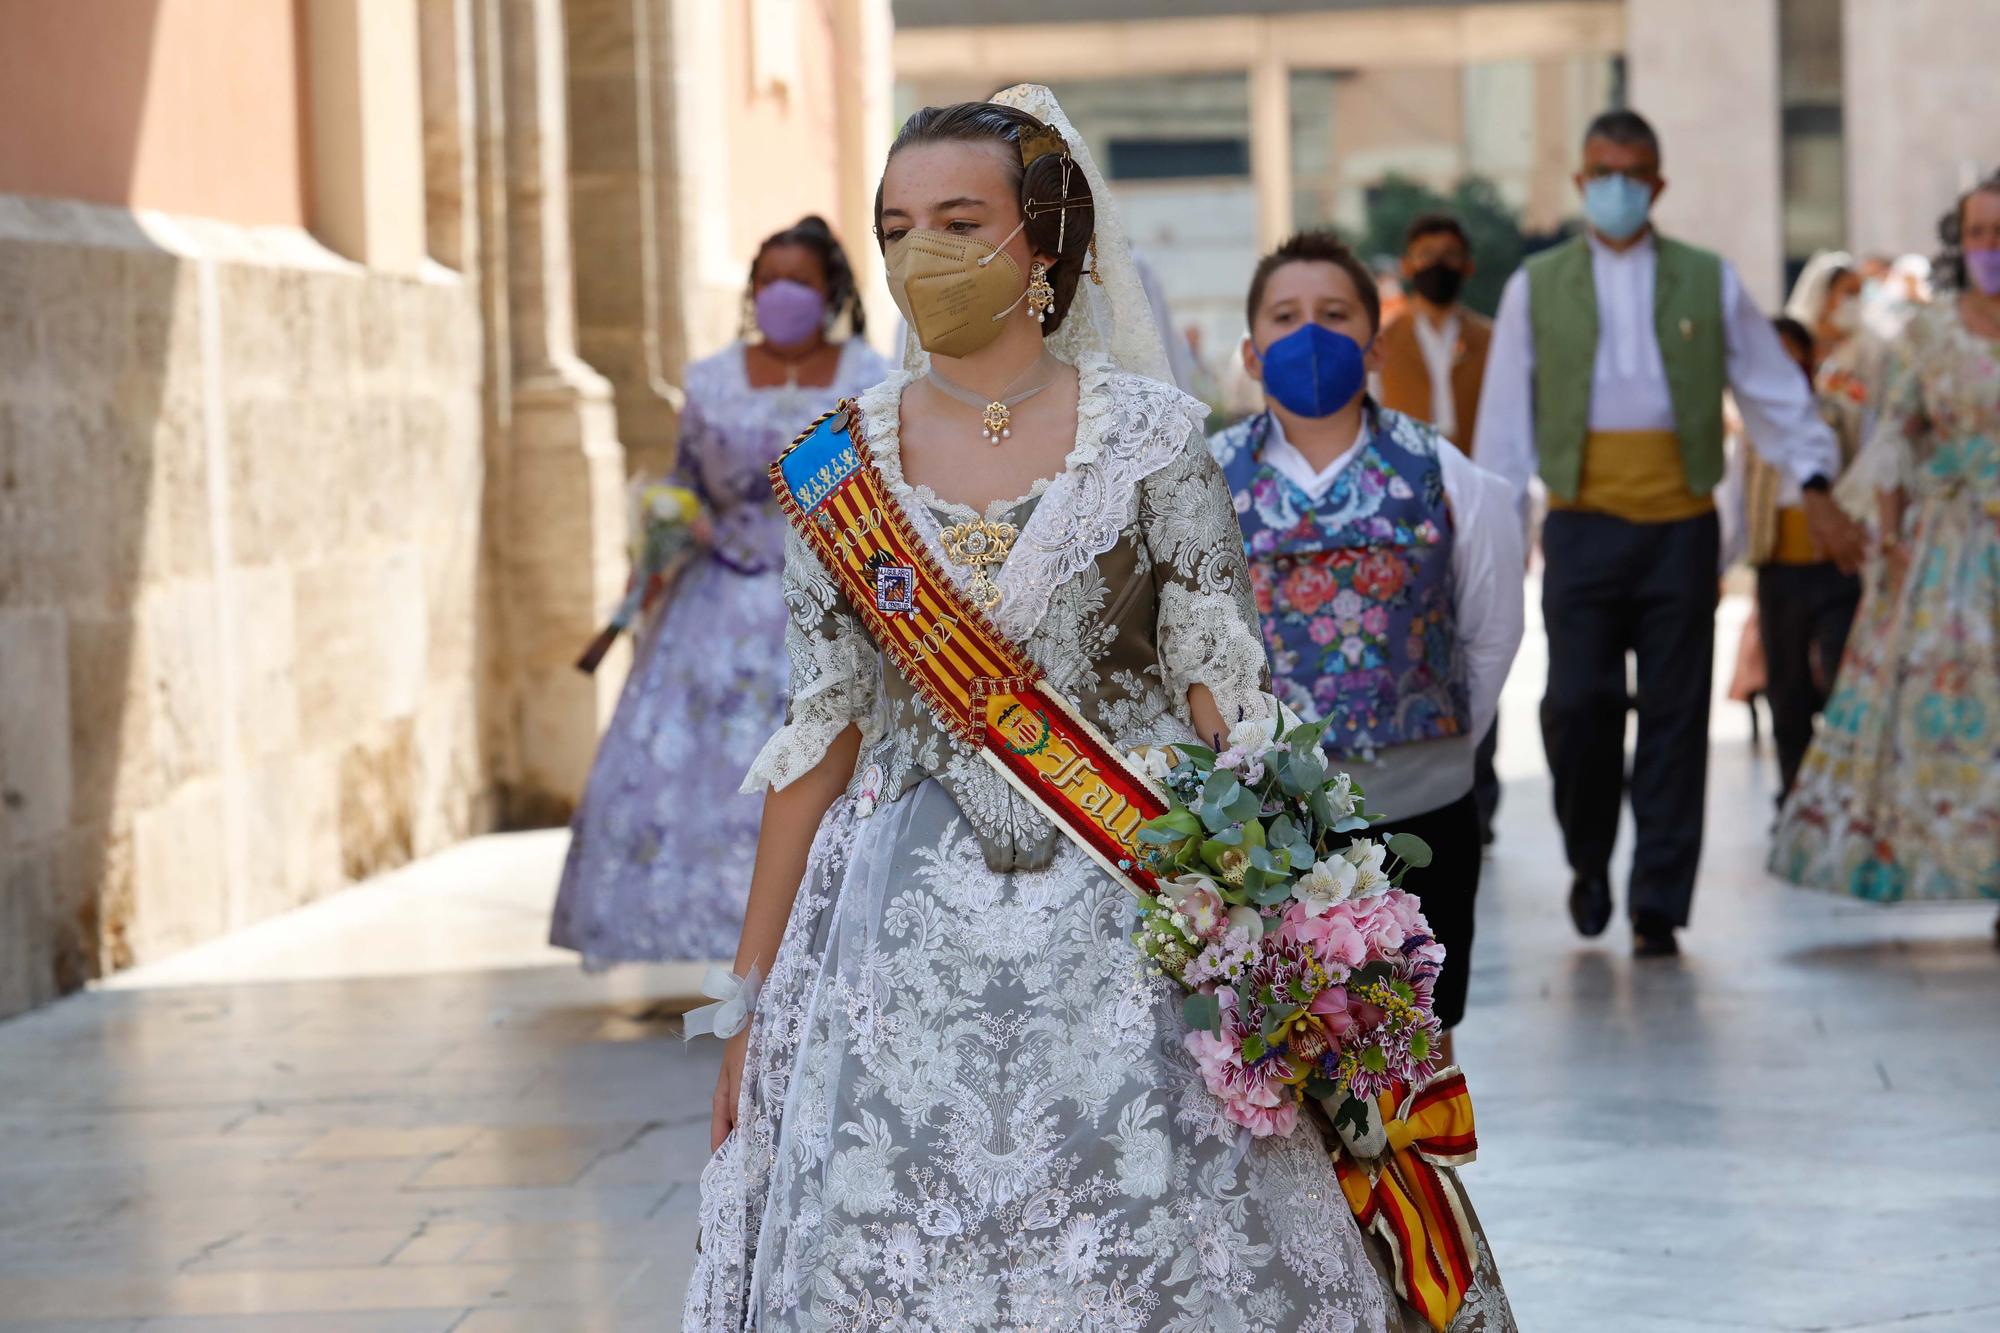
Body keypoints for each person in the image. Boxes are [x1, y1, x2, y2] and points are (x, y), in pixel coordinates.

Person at [683, 86, 1514, 1332]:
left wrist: (1291, 916)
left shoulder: (1153, 436)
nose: (922, 255)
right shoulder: (831, 463)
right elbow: (819, 734)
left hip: (1130, 903)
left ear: (1042, 239)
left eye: (959, 218)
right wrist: (746, 1004)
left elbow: (1222, 683)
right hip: (890, 932)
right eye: (896, 226)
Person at [1473, 109, 1864, 958]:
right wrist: (1492, 542)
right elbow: (1503, 431)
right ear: (1582, 184)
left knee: (1677, 717)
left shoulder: (1707, 279)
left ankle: (1657, 898)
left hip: (1681, 529)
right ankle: (1587, 857)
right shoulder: (1532, 287)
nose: (1618, 187)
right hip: (1580, 528)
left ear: (1658, 184)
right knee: (1578, 705)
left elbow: (1773, 393)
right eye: (1603, 172)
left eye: (1635, 172)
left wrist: (1817, 485)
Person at [1210, 231, 1523, 1058]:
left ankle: (1422, 1191)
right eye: (1286, 316)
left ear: (1375, 344)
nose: (1310, 334)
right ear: (1250, 351)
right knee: (1279, 1050)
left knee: (1414, 1044)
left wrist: (1437, 749)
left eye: (1335, 314)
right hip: (1261, 826)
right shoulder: (1203, 483)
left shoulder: (1446, 475)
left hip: (1420, 808)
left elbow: (1491, 629)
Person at [547, 217, 886, 967]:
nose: (782, 296)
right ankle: (713, 936)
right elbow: (686, 483)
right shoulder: (709, 380)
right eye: (768, 282)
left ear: (830, 288)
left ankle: (814, 932)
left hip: (827, 608)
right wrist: (662, 531)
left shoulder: (869, 378)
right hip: (715, 601)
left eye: (798, 281)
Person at [1772, 171, 2000, 926]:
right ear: (1957, 243)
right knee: (1952, 703)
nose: (1988, 248)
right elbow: (1898, 437)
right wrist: (1894, 541)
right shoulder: (1928, 334)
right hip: (1952, 549)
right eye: (1977, 234)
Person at [1377, 211, 1504, 845]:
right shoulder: (1383, 340)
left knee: (1482, 633)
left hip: (1478, 503)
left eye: (1451, 254)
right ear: (1407, 265)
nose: (1439, 265)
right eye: (1427, 254)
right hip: (1409, 511)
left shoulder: (1491, 338)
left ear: (1469, 265)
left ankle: (1481, 782)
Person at [1732, 316, 1862, 805]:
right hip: (1779, 571)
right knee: (1786, 690)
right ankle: (1794, 792)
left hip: (1834, 568)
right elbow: (1735, 496)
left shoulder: (1840, 415)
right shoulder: (1752, 430)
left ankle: (1843, 791)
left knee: (1840, 679)